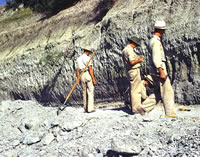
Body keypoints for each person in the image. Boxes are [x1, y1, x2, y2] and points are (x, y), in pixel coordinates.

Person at [138, 21, 176, 117]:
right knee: (168, 92)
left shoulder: (152, 41)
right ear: (161, 30)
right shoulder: (155, 42)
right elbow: (156, 58)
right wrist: (161, 71)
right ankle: (170, 113)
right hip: (159, 69)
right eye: (163, 31)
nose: (164, 33)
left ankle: (143, 107)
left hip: (154, 70)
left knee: (158, 92)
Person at [122, 36, 145, 114]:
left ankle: (133, 106)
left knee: (132, 89)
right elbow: (132, 62)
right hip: (134, 70)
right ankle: (135, 109)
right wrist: (138, 60)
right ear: (134, 43)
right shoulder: (130, 50)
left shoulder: (125, 49)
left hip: (130, 71)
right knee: (135, 90)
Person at [76, 46, 97, 113]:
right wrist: (93, 79)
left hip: (81, 75)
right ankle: (90, 108)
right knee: (90, 91)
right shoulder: (88, 58)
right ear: (87, 51)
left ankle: (85, 107)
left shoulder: (78, 59)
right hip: (87, 74)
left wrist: (78, 79)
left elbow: (77, 71)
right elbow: (90, 69)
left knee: (84, 92)